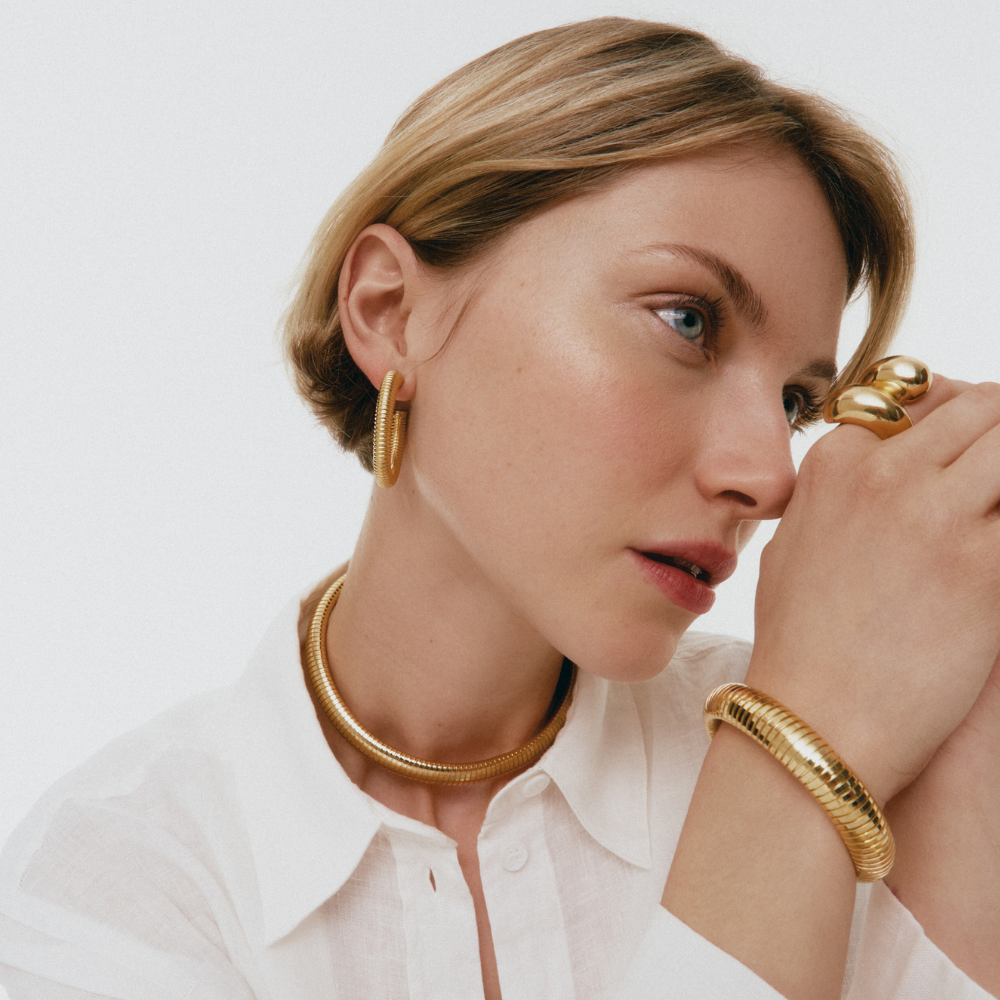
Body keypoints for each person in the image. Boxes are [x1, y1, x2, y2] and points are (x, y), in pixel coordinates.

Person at [1, 16, 998, 1000]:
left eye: (793, 402)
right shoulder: (123, 875)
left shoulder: (880, 736)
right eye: (686, 320)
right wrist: (793, 755)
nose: (770, 475)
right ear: (391, 311)